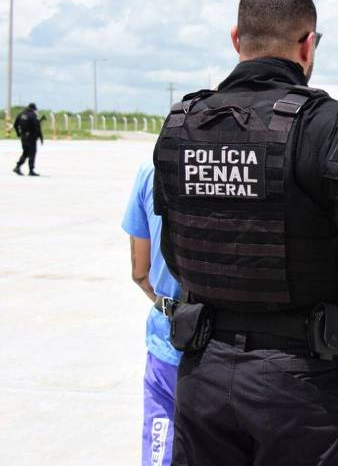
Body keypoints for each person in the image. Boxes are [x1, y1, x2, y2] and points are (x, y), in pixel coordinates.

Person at [154, 0, 338, 466]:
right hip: (296, 380)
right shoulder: (326, 125)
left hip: (202, 371)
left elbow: (173, 248)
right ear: (308, 44)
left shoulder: (182, 123)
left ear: (236, 39)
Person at [122, 162, 183, 466]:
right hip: (231, 347)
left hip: (168, 340)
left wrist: (169, 307)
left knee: (162, 452)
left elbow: (139, 272)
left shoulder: (150, 170)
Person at [12, 103, 44, 176]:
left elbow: (15, 125)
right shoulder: (32, 116)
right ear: (33, 109)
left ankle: (17, 167)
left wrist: (18, 133)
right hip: (31, 138)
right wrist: (40, 137)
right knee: (32, 153)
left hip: (23, 137)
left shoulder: (21, 114)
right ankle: (31, 170)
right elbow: (37, 128)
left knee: (25, 152)